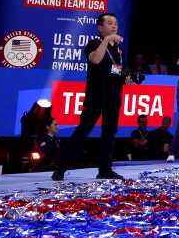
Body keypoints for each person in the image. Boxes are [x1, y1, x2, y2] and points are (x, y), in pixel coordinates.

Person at [53, 13, 128, 181]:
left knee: (109, 133)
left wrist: (128, 79)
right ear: (100, 27)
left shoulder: (120, 49)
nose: (114, 26)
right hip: (96, 96)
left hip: (114, 96)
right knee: (83, 130)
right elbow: (96, 59)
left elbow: (117, 71)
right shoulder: (94, 43)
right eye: (109, 23)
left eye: (115, 23)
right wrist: (106, 41)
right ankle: (61, 168)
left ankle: (105, 169)